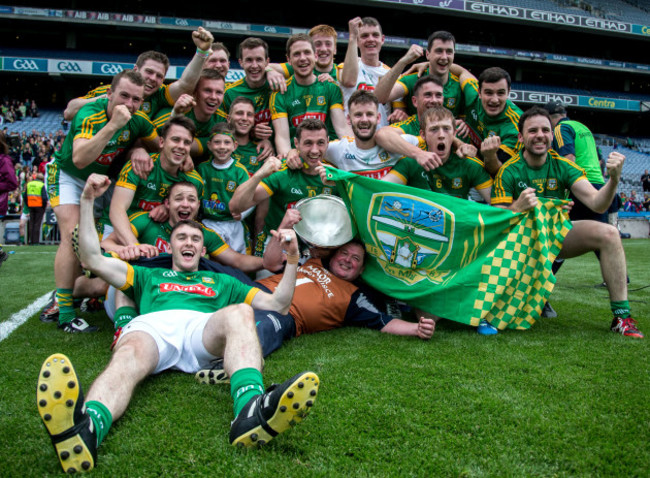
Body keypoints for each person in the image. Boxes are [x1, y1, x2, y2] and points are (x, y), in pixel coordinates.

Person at [36, 173, 320, 474]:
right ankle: (88, 426)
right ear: (170, 248)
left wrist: (292, 260)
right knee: (128, 354)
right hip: (154, 329)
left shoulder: (221, 280)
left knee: (241, 313)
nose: (189, 242)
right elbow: (93, 258)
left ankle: (249, 411)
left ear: (203, 249)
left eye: (196, 239)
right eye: (181, 238)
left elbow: (279, 304)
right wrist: (87, 199)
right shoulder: (147, 275)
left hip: (202, 331)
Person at [491, 106, 643, 338]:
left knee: (609, 234)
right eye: (532, 131)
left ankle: (621, 317)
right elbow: (497, 222)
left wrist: (613, 180)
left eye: (545, 130)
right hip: (519, 245)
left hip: (554, 238)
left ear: (552, 135)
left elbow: (597, 204)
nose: (540, 135)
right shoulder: (509, 170)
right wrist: (517, 207)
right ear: (521, 137)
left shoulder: (564, 166)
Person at [42, 69, 159, 332]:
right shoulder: (91, 113)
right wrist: (114, 125)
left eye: (136, 100)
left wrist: (140, 146)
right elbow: (80, 158)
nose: (129, 104)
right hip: (68, 176)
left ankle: (85, 292)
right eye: (124, 96)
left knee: (98, 241)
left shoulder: (138, 119)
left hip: (101, 182)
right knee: (73, 234)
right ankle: (64, 313)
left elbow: (158, 144)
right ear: (109, 93)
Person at [63, 28, 214, 130]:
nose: (153, 79)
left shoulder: (159, 94)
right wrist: (108, 99)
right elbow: (69, 112)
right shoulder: (111, 91)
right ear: (136, 70)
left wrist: (202, 51)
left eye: (159, 76)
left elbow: (185, 85)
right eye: (149, 72)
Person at [229, 119, 337, 255]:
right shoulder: (283, 172)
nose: (315, 150)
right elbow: (236, 207)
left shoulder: (335, 175)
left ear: (328, 142)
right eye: (308, 143)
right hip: (277, 243)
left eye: (320, 143)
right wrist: (259, 174)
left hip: (315, 249)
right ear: (296, 143)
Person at [109, 116, 204, 248]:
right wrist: (135, 246)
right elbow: (117, 209)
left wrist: (168, 208)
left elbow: (190, 215)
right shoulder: (139, 166)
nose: (181, 146)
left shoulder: (194, 181)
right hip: (118, 231)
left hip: (157, 237)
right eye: (175, 140)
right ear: (161, 142)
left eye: (186, 142)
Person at [383, 106, 492, 202]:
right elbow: (381, 189)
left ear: (454, 133)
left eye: (446, 129)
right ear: (423, 135)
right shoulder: (410, 162)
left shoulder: (470, 164)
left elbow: (498, 206)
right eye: (434, 129)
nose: (441, 135)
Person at [269, 34, 350, 158]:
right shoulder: (280, 93)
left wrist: (356, 153)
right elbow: (282, 138)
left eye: (307, 52)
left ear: (315, 56)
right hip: (297, 158)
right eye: (296, 54)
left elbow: (342, 129)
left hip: (327, 159)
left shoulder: (330, 88)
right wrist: (288, 157)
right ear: (289, 60)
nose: (302, 58)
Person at [323, 90, 419, 179]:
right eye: (358, 115)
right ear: (348, 119)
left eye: (369, 114)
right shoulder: (339, 150)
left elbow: (428, 146)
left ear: (378, 118)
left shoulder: (401, 143)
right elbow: (312, 154)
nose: (364, 120)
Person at [375, 31, 464, 119]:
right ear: (428, 54)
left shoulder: (460, 86)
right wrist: (403, 62)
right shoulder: (412, 80)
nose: (444, 57)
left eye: (449, 52)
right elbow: (378, 97)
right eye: (439, 51)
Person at [451, 65, 523, 175]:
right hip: (468, 158)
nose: (494, 100)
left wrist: (490, 155)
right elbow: (461, 72)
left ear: (508, 92)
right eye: (488, 93)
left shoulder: (516, 126)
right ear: (479, 92)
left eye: (500, 93)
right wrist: (429, 64)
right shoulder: (473, 93)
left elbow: (498, 171)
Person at [197, 123, 252, 254]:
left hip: (233, 224)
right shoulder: (202, 169)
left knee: (238, 258)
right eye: (217, 142)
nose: (222, 147)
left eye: (227, 142)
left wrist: (242, 214)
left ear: (235, 146)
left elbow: (252, 197)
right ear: (209, 145)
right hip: (209, 222)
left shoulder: (240, 171)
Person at [220, 37, 286, 143]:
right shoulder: (230, 93)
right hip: (248, 152)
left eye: (259, 60)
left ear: (267, 62)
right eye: (249, 60)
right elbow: (225, 130)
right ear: (241, 62)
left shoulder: (279, 84)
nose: (254, 65)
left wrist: (270, 70)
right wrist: (251, 131)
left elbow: (306, 66)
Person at [339, 17, 399, 126]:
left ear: (382, 39)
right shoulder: (344, 67)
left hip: (380, 139)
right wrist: (352, 37)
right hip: (351, 138)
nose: (370, 39)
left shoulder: (392, 74)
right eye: (364, 36)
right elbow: (348, 81)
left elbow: (399, 111)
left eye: (375, 35)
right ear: (357, 41)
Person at [24, 172, 48, 244]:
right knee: (37, 224)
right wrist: (43, 206)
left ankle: (30, 240)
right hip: (39, 206)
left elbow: (25, 196)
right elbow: (44, 198)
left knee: (31, 223)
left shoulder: (29, 184)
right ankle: (36, 241)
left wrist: (28, 204)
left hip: (31, 205)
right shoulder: (41, 185)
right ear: (42, 179)